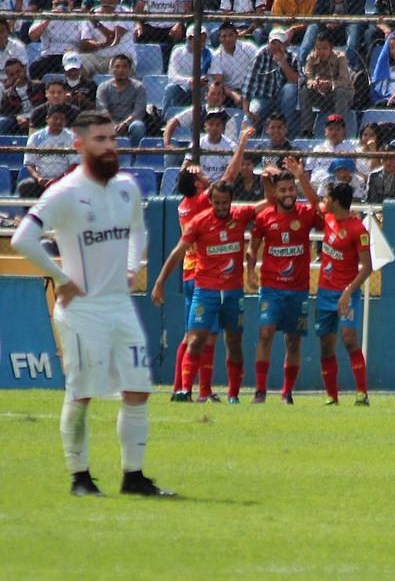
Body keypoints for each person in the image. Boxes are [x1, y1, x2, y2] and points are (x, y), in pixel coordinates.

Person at [11, 110, 175, 497]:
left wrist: (133, 267)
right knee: (82, 393)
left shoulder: (127, 187)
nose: (108, 147)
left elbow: (138, 229)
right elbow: (22, 239)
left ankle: (133, 477)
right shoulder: (64, 192)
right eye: (99, 140)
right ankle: (80, 478)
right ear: (78, 144)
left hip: (120, 306)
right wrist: (61, 278)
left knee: (138, 390)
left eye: (112, 139)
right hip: (82, 311)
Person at [151, 160, 267, 404]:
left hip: (233, 293)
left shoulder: (239, 215)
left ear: (231, 201)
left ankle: (231, 395)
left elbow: (266, 204)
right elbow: (177, 252)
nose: (222, 207)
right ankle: (185, 390)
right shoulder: (199, 221)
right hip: (205, 290)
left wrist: (268, 183)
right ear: (209, 200)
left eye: (226, 203)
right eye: (217, 203)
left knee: (233, 342)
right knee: (195, 339)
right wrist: (160, 281)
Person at [166, 129, 252, 401]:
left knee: (193, 335)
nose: (204, 174)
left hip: (191, 272)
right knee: (204, 337)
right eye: (200, 174)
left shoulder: (184, 204)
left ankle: (184, 387)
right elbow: (229, 176)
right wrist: (242, 144)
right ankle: (196, 390)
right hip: (203, 274)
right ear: (198, 185)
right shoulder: (202, 202)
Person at [247, 157, 325, 404]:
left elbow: (320, 207)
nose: (288, 194)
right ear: (275, 193)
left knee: (293, 341)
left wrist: (301, 177)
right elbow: (253, 246)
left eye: (291, 189)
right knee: (266, 332)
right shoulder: (264, 217)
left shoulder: (303, 213)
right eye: (283, 190)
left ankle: (286, 393)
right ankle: (260, 391)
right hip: (271, 287)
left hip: (298, 289)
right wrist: (250, 271)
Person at [314, 182, 374, 405]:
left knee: (349, 339)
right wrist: (300, 176)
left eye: (327, 197)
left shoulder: (358, 229)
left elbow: (367, 266)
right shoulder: (328, 218)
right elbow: (312, 202)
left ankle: (362, 393)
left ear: (336, 201)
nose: (324, 201)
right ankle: (332, 396)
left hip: (346, 293)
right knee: (326, 344)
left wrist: (348, 291)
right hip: (324, 293)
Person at [301, 0, 366, 70]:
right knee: (313, 26)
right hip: (327, 30)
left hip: (346, 30)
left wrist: (340, 21)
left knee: (354, 27)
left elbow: (359, 16)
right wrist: (327, 22)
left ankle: (350, 68)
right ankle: (303, 66)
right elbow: (317, 15)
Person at [242, 28, 302, 138]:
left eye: (279, 43)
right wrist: (247, 111)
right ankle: (247, 144)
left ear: (285, 44)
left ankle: (289, 136)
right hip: (262, 97)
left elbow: (298, 81)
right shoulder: (261, 55)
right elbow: (249, 83)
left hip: (283, 100)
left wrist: (282, 62)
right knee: (250, 114)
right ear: (268, 43)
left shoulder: (292, 57)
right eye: (273, 42)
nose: (276, 46)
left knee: (290, 88)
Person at [135, 0, 192, 66]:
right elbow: (138, 9)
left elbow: (187, 10)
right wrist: (138, 25)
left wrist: (179, 25)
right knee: (137, 34)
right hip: (151, 25)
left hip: (172, 26)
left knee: (181, 32)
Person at [18, 105, 80, 198]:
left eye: (62, 119)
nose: (58, 121)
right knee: (25, 186)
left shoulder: (71, 137)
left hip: (64, 180)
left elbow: (74, 164)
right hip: (41, 180)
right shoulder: (36, 137)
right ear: (47, 119)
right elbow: (29, 163)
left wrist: (59, 179)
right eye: (55, 118)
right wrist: (39, 178)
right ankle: (32, 212)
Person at [299, 33, 354, 137]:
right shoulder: (311, 58)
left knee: (340, 91)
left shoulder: (340, 58)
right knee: (304, 90)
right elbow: (308, 77)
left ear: (331, 48)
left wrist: (330, 85)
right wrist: (314, 83)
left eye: (324, 48)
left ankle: (339, 128)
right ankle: (306, 130)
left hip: (341, 97)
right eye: (318, 48)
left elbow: (345, 80)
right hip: (321, 96)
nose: (321, 52)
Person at [78, 0, 136, 76]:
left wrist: (97, 23)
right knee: (79, 60)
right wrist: (103, 44)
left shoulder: (125, 11)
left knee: (119, 63)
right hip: (99, 58)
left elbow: (114, 38)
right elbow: (84, 45)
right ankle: (86, 88)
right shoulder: (92, 14)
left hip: (121, 58)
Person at [27, 0, 81, 79]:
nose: (61, 6)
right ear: (52, 4)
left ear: (71, 3)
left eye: (64, 3)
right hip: (51, 55)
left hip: (72, 55)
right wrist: (49, 18)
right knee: (35, 67)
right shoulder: (45, 16)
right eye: (57, 4)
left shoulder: (79, 17)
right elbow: (33, 36)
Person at [94, 54, 148, 147]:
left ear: (130, 70)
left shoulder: (139, 87)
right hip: (109, 121)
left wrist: (125, 123)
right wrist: (113, 124)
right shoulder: (103, 87)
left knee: (138, 126)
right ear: (111, 69)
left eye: (124, 67)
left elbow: (139, 111)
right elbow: (102, 109)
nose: (120, 70)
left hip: (130, 122)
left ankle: (135, 155)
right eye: (117, 67)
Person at [209, 21, 260, 109]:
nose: (227, 39)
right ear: (219, 39)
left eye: (230, 35)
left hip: (251, 88)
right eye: (224, 36)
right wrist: (234, 95)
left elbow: (259, 67)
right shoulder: (216, 56)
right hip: (229, 92)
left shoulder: (249, 47)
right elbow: (219, 83)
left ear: (236, 35)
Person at [163, 24, 213, 112]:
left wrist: (205, 80)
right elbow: (172, 76)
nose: (202, 42)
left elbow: (213, 75)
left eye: (203, 39)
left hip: (201, 89)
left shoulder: (209, 53)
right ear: (189, 39)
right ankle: (164, 118)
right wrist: (189, 81)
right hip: (183, 88)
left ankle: (203, 115)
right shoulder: (178, 52)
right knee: (170, 88)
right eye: (198, 39)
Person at [181, 109, 238, 181]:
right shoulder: (198, 143)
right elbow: (186, 164)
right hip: (201, 182)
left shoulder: (231, 145)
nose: (214, 128)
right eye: (211, 124)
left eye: (218, 125)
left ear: (223, 128)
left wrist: (217, 185)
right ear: (205, 127)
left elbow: (230, 171)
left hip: (221, 185)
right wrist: (202, 179)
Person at [0, 58, 46, 136]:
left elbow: (48, 106)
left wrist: (31, 119)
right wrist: (17, 117)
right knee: (3, 121)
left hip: (40, 120)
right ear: (7, 76)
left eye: (18, 72)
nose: (16, 76)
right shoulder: (8, 94)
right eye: (12, 74)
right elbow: (6, 113)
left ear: (24, 69)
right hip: (19, 124)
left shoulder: (39, 86)